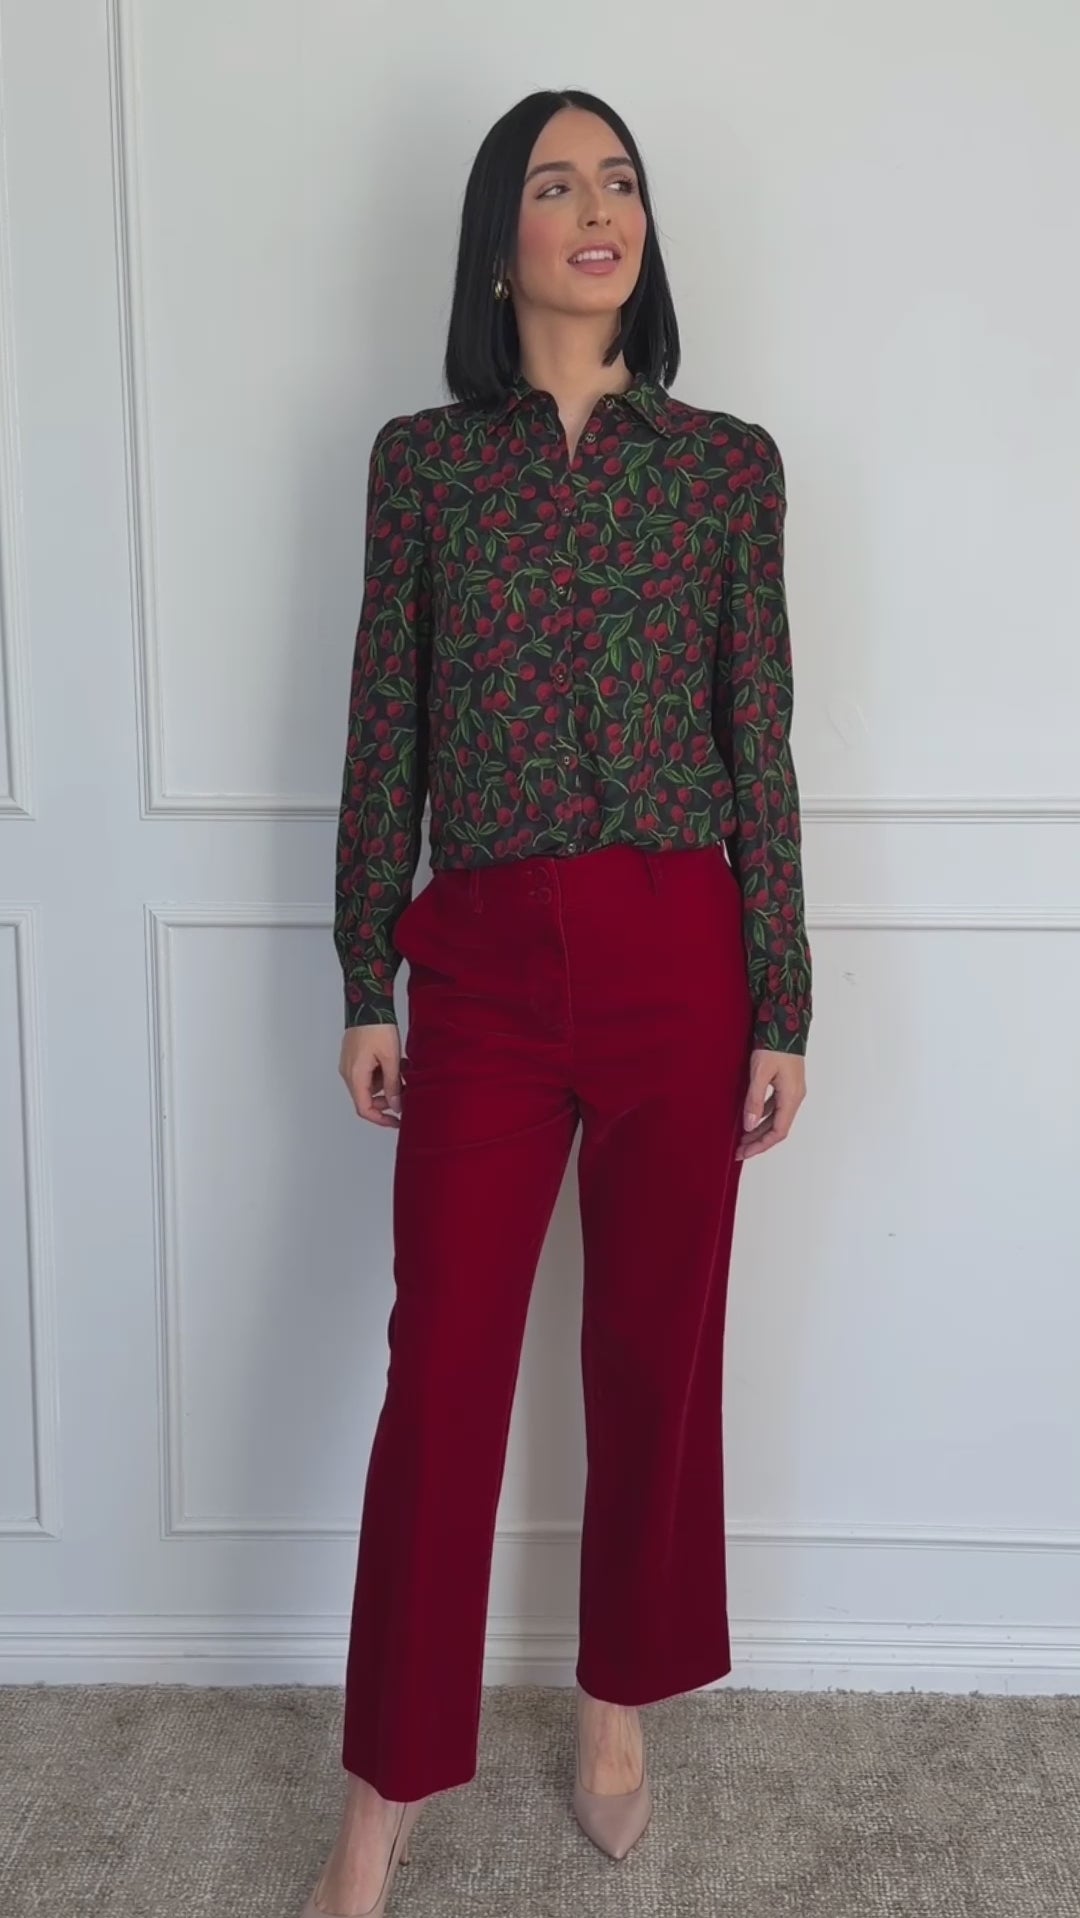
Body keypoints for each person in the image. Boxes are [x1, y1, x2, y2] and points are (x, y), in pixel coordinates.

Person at [300, 86, 812, 1918]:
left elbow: (760, 735)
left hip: (683, 947)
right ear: (498, 242)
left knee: (654, 1356)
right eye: (554, 183)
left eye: (621, 181)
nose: (598, 209)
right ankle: (381, 1794)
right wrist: (366, 966)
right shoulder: (424, 467)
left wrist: (783, 996)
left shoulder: (726, 466)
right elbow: (385, 724)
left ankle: (614, 1702)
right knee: (442, 1373)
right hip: (490, 964)